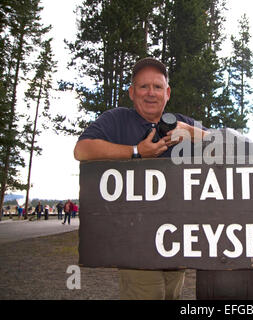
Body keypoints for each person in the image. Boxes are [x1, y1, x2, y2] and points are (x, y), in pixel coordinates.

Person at [73, 57, 209, 300]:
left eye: (157, 87)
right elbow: (82, 150)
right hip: (135, 236)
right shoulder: (116, 119)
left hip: (177, 237)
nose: (151, 93)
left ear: (167, 93)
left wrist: (192, 133)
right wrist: (136, 151)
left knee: (171, 295)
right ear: (132, 92)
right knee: (149, 294)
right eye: (143, 86)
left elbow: (238, 150)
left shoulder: (184, 124)